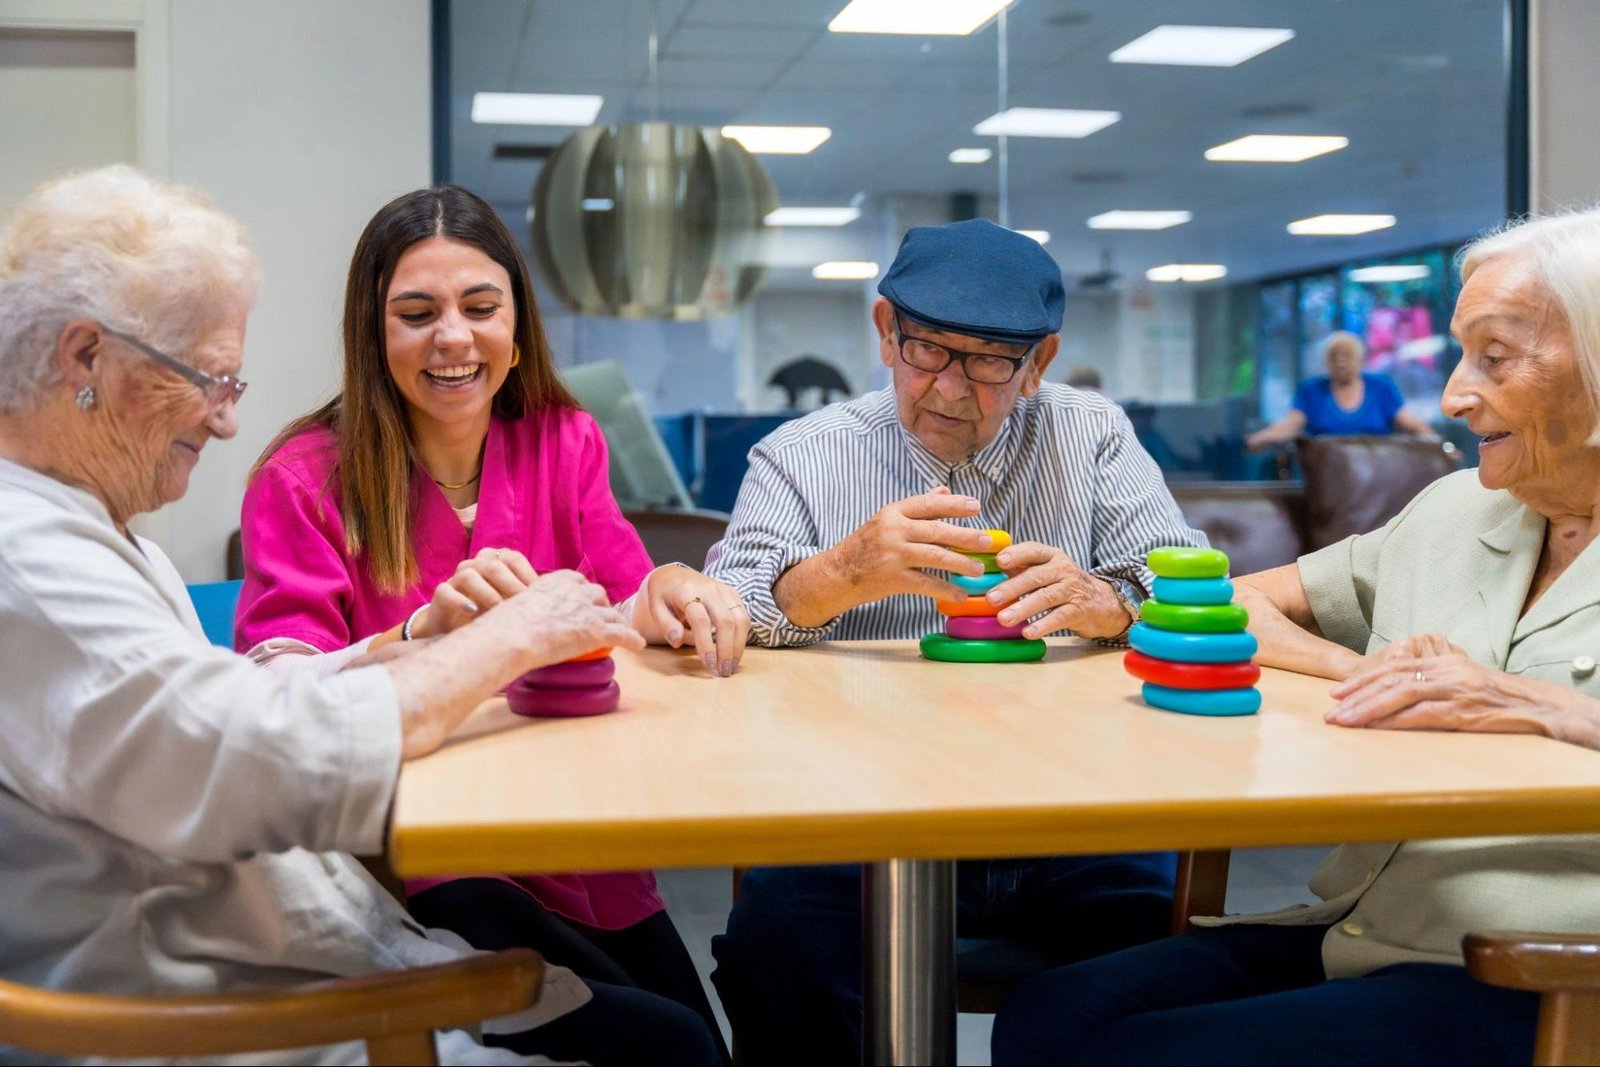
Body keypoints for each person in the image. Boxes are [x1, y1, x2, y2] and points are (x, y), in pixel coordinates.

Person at [0, 165, 720, 1065]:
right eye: (206, 380)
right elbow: (251, 754)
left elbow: (246, 699)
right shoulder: (29, 557)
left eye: (235, 386)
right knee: (676, 1046)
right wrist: (495, 642)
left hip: (301, 941)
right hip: (231, 1009)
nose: (226, 422)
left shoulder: (108, 535)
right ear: (82, 360)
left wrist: (453, 638)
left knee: (680, 1029)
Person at [990, 208, 1600, 1067]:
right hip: (1361, 927)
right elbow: (1204, 603)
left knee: (1147, 1055)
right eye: (1460, 355)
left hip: (1545, 972)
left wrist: (1549, 709)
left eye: (1495, 356)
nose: (1456, 395)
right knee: (1051, 1013)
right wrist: (1347, 664)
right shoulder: (1457, 508)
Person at [234, 185, 740, 1059]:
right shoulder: (302, 477)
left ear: (516, 323)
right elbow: (275, 688)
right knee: (675, 1047)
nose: (454, 338)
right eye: (416, 312)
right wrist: (421, 635)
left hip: (588, 847)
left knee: (707, 1040)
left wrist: (671, 589)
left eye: (480, 307)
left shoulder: (563, 437)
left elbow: (625, 599)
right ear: (374, 331)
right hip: (425, 870)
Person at [703, 218, 1208, 1065]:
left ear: (1039, 363)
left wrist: (1109, 599)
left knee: (1142, 960)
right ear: (883, 332)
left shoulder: (1091, 436)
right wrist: (842, 572)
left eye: (988, 362)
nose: (946, 388)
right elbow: (729, 610)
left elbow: (1188, 581)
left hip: (1069, 811)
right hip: (854, 814)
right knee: (775, 949)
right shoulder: (801, 455)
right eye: (927, 350)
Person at [1246, 331, 1436, 449]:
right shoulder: (1311, 391)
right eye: (1335, 357)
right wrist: (1260, 438)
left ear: (1361, 360)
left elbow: (1411, 425)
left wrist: (1438, 444)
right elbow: (1290, 426)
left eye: (1348, 356)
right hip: (1327, 473)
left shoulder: (1381, 387)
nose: (1341, 362)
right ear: (1327, 362)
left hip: (1375, 472)